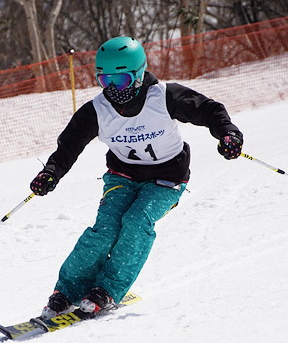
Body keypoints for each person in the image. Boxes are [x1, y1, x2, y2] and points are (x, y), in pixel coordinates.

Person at [30, 36, 244, 319]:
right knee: (104, 230)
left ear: (139, 73)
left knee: (135, 221)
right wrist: (51, 173)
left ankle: (107, 290)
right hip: (122, 175)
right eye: (106, 81)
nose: (113, 89)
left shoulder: (164, 96)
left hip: (167, 178)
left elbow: (209, 110)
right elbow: (69, 146)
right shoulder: (97, 110)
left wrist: (228, 134)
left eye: (121, 80)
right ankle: (66, 292)